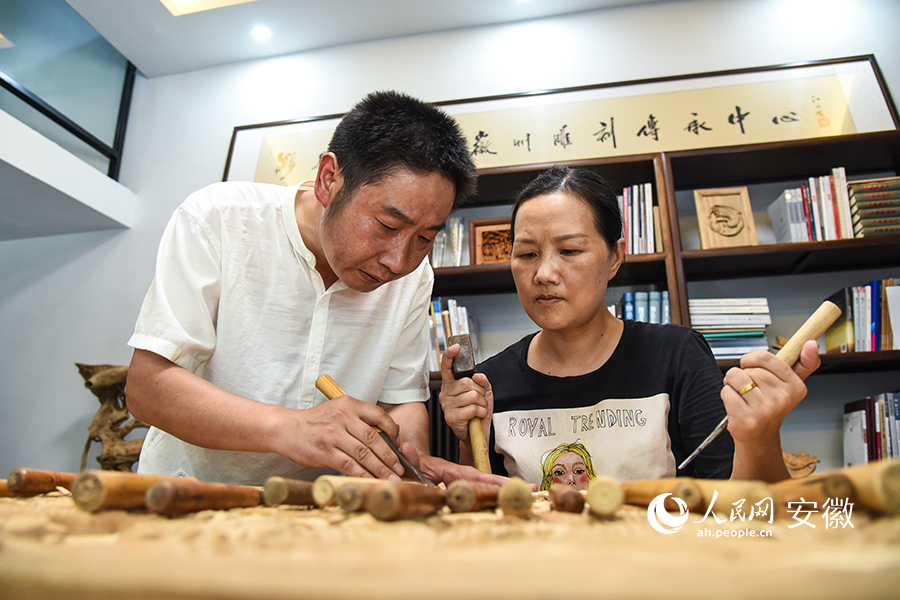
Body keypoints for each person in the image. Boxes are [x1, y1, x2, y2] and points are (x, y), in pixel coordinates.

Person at [127, 90, 504, 487]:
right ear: (329, 180)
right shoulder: (218, 219)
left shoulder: (414, 276)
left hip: (319, 508)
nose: (398, 261)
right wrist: (290, 428)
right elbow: (148, 386)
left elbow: (400, 402)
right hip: (188, 494)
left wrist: (409, 466)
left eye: (425, 238)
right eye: (388, 226)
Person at [439, 165, 821, 486]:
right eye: (526, 254)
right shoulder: (489, 384)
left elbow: (742, 512)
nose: (544, 273)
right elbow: (481, 520)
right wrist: (467, 440)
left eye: (570, 251)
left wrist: (761, 437)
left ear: (615, 258)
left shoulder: (676, 356)